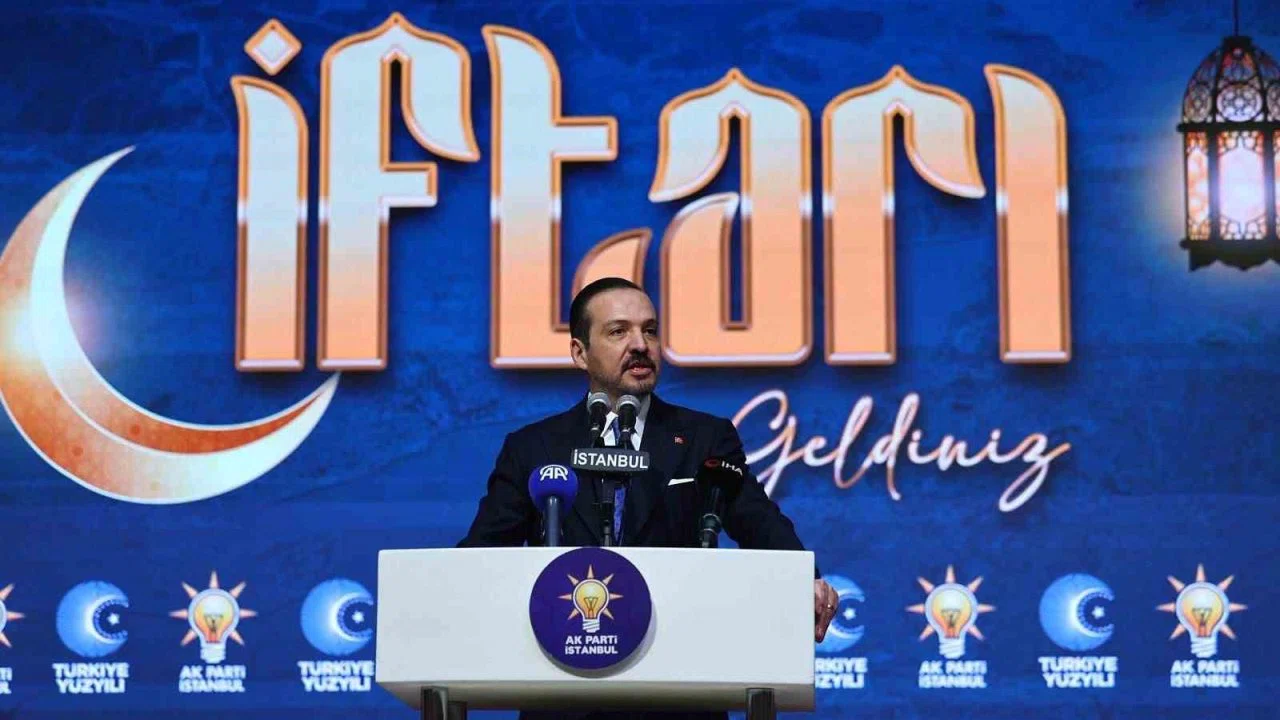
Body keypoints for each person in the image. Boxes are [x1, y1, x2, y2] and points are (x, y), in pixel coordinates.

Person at [459, 277, 837, 720]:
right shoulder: (533, 448)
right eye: (618, 331)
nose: (640, 344)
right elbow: (481, 557)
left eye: (650, 330)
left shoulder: (704, 438)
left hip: (679, 690)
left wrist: (803, 579)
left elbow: (759, 522)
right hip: (563, 692)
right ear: (580, 352)